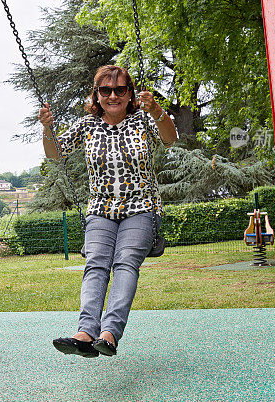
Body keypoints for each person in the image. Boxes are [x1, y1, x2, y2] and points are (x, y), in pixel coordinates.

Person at [39, 65, 177, 358]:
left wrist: (157, 111)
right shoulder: (87, 125)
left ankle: (109, 333)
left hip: (141, 207)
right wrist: (47, 129)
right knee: (96, 263)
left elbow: (169, 138)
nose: (113, 95)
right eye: (106, 90)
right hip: (100, 208)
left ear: (129, 94)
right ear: (97, 94)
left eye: (120, 90)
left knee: (126, 262)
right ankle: (86, 332)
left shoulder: (143, 120)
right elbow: (55, 153)